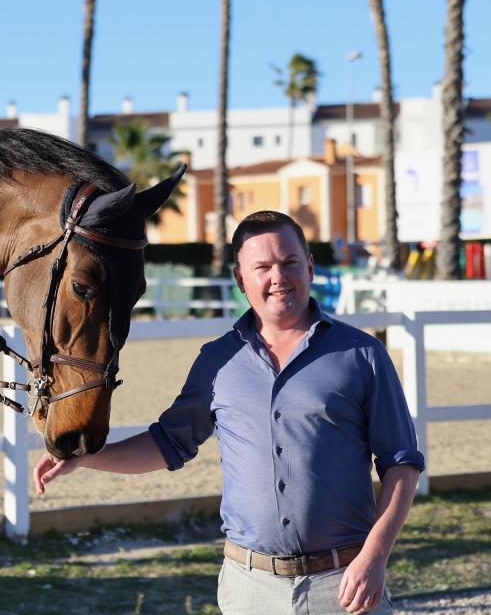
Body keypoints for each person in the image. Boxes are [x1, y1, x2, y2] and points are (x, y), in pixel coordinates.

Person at [33, 210, 423, 615]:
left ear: (309, 266)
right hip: (248, 589)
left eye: (289, 262)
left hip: (344, 585)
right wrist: (85, 458)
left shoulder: (362, 355)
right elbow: (168, 443)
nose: (278, 277)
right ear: (240, 279)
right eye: (262, 267)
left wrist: (375, 556)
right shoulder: (217, 361)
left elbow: (402, 464)